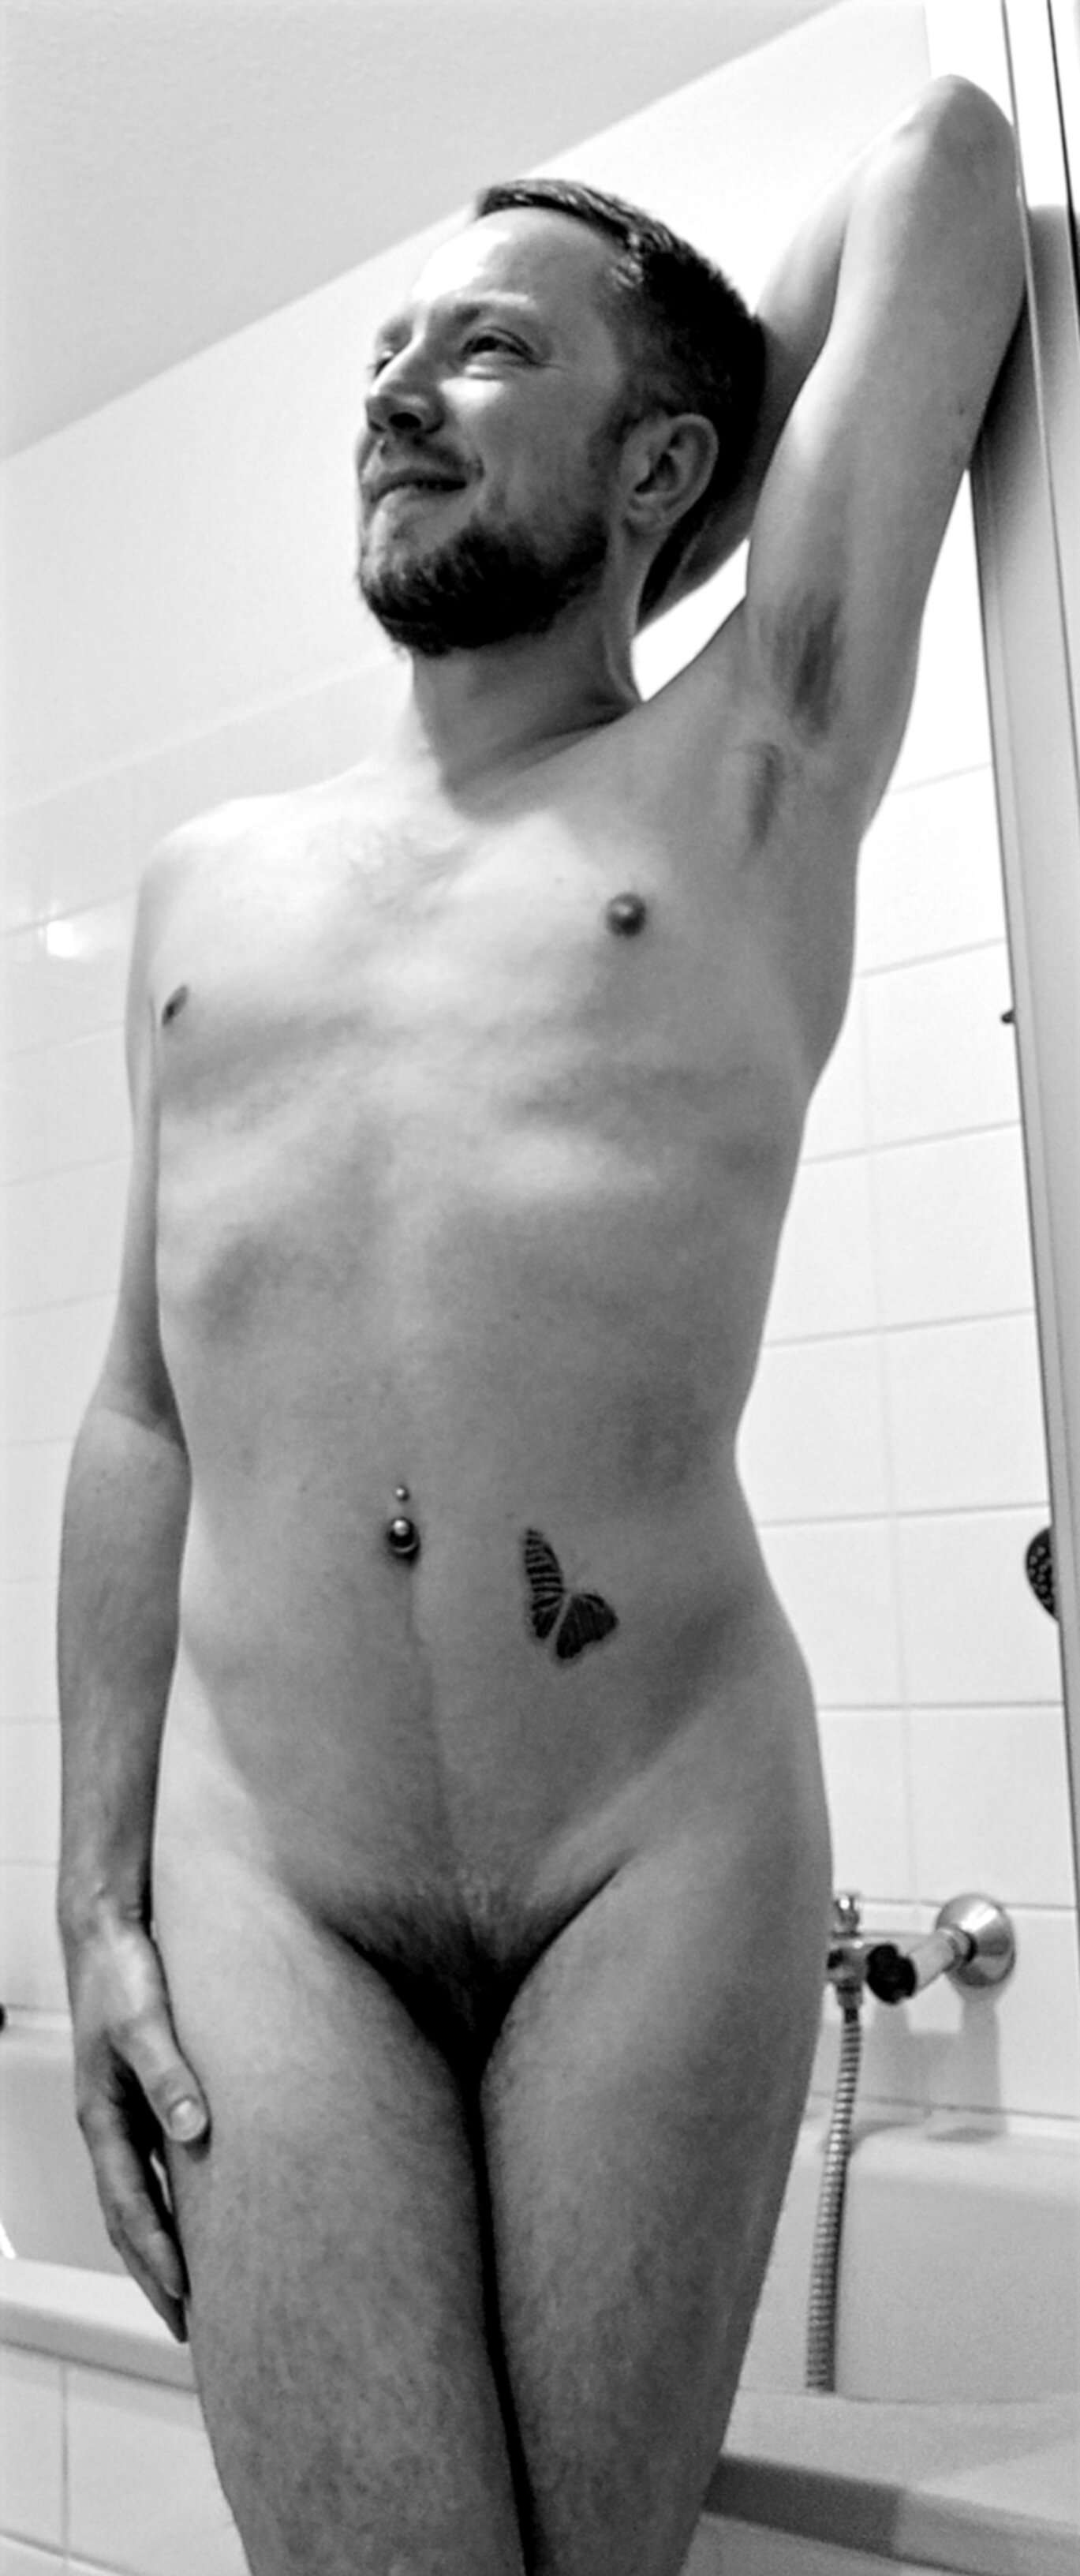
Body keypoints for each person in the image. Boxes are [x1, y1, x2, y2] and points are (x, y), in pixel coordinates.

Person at [56, 73, 1023, 2576]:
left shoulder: (748, 764)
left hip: (650, 1844)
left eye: (482, 351)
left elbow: (938, 168)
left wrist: (666, 503)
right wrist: (95, 1894)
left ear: (671, 460)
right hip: (270, 1874)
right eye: (385, 355)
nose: (394, 393)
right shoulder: (205, 887)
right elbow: (140, 1414)